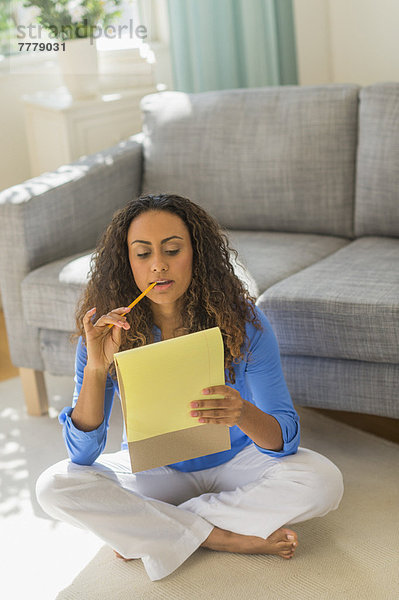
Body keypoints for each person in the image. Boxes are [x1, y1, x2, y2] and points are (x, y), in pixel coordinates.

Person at [36, 194, 344, 582]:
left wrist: (243, 413)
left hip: (236, 461)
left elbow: (285, 441)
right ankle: (222, 536)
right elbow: (83, 455)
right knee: (54, 486)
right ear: (126, 262)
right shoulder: (104, 333)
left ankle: (155, 531)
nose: (159, 265)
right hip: (155, 472)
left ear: (196, 253)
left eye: (172, 250)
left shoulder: (245, 322)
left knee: (323, 480)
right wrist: (98, 368)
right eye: (143, 254)